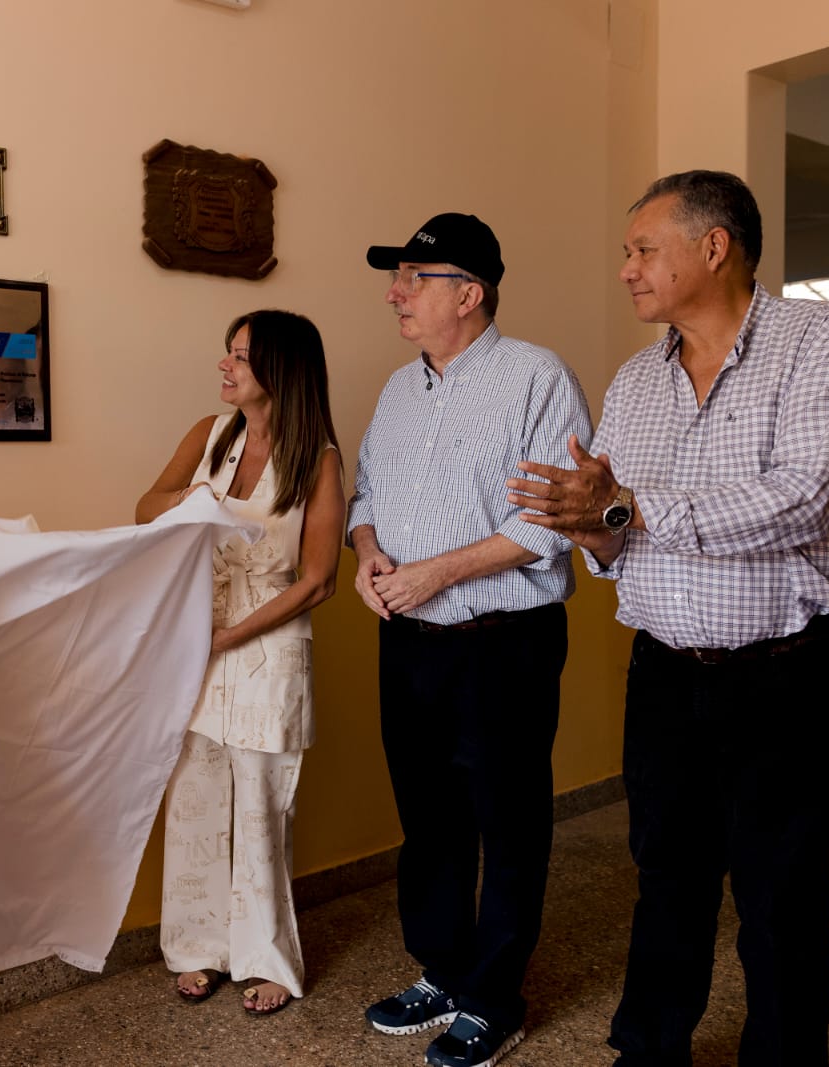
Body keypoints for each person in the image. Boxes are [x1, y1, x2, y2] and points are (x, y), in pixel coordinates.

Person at [508, 170, 829, 1067]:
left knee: (781, 898)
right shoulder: (636, 380)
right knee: (667, 879)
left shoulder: (824, 340)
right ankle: (649, 1051)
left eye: (643, 249)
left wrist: (630, 508)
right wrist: (592, 528)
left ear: (713, 247)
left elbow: (803, 499)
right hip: (665, 674)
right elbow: (620, 535)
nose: (626, 269)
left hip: (791, 672)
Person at [350, 213, 591, 1067]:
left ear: (469, 293)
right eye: (398, 278)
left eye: (414, 278)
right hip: (409, 641)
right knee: (428, 817)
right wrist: (369, 553)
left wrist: (436, 573)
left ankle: (494, 997)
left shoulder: (536, 377)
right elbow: (365, 494)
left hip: (503, 643)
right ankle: (445, 969)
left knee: (508, 819)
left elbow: (550, 521)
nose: (396, 294)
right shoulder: (397, 389)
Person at [137, 309, 344, 1015]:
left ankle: (268, 961)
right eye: (228, 351)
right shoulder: (210, 434)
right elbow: (144, 509)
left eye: (242, 355)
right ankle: (196, 948)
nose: (225, 365)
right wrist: (189, 498)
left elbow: (318, 580)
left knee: (261, 809)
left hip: (268, 649)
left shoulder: (317, 459)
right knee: (193, 799)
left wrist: (228, 638)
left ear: (280, 370)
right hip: (195, 644)